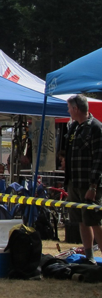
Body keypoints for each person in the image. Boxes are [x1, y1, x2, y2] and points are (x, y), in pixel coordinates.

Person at [64, 94, 102, 261]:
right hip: (74, 182)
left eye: (69, 108)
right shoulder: (73, 127)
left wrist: (93, 187)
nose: (68, 111)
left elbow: (99, 159)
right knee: (81, 221)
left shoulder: (96, 128)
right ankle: (89, 257)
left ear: (76, 109)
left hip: (89, 184)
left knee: (94, 221)